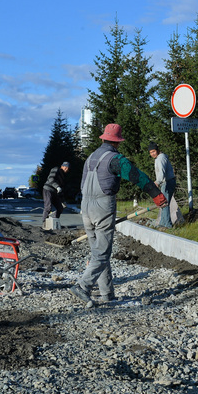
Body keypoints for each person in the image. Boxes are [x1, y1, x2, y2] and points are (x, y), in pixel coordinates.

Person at [69, 124, 167, 308]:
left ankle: (107, 294)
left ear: (104, 138)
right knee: (103, 252)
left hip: (86, 206)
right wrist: (156, 194)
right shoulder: (115, 159)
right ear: (117, 142)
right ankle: (83, 286)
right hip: (102, 206)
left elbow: (83, 184)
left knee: (98, 252)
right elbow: (136, 175)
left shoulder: (90, 158)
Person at [148, 141, 176, 228]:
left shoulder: (160, 158)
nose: (152, 154)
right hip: (166, 182)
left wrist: (157, 182)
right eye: (150, 152)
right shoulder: (160, 158)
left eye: (153, 151)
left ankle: (167, 225)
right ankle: (163, 223)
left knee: (164, 204)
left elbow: (161, 172)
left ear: (157, 150)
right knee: (164, 204)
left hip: (167, 182)